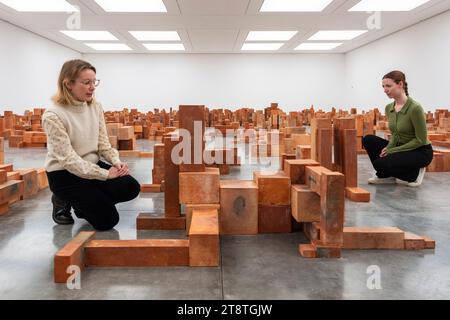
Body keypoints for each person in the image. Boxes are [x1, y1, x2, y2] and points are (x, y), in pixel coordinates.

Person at [42, 59, 140, 230]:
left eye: (94, 82)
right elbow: (69, 161)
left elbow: (103, 144)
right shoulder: (53, 115)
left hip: (90, 165)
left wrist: (116, 162)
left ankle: (84, 205)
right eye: (86, 82)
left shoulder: (95, 106)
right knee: (107, 221)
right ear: (68, 84)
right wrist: (105, 174)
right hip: (64, 174)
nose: (92, 87)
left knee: (130, 187)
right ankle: (62, 198)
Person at [362, 70, 433, 187]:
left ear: (400, 84)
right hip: (400, 147)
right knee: (368, 139)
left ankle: (414, 173)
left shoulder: (415, 108)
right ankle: (386, 176)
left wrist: (392, 151)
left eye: (388, 86)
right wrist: (388, 148)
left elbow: (420, 140)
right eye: (383, 86)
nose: (385, 90)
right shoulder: (389, 107)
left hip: (420, 151)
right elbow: (395, 134)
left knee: (379, 164)